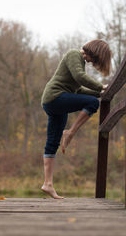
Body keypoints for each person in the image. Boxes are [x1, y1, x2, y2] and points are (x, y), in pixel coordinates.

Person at [40, 39, 111, 199]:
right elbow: (79, 77)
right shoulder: (74, 55)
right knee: (93, 104)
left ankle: (48, 184)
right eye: (97, 59)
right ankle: (71, 133)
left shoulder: (79, 62)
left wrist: (99, 93)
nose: (94, 62)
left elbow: (78, 89)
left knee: (52, 142)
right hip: (55, 97)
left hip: (55, 103)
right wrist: (101, 87)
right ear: (94, 52)